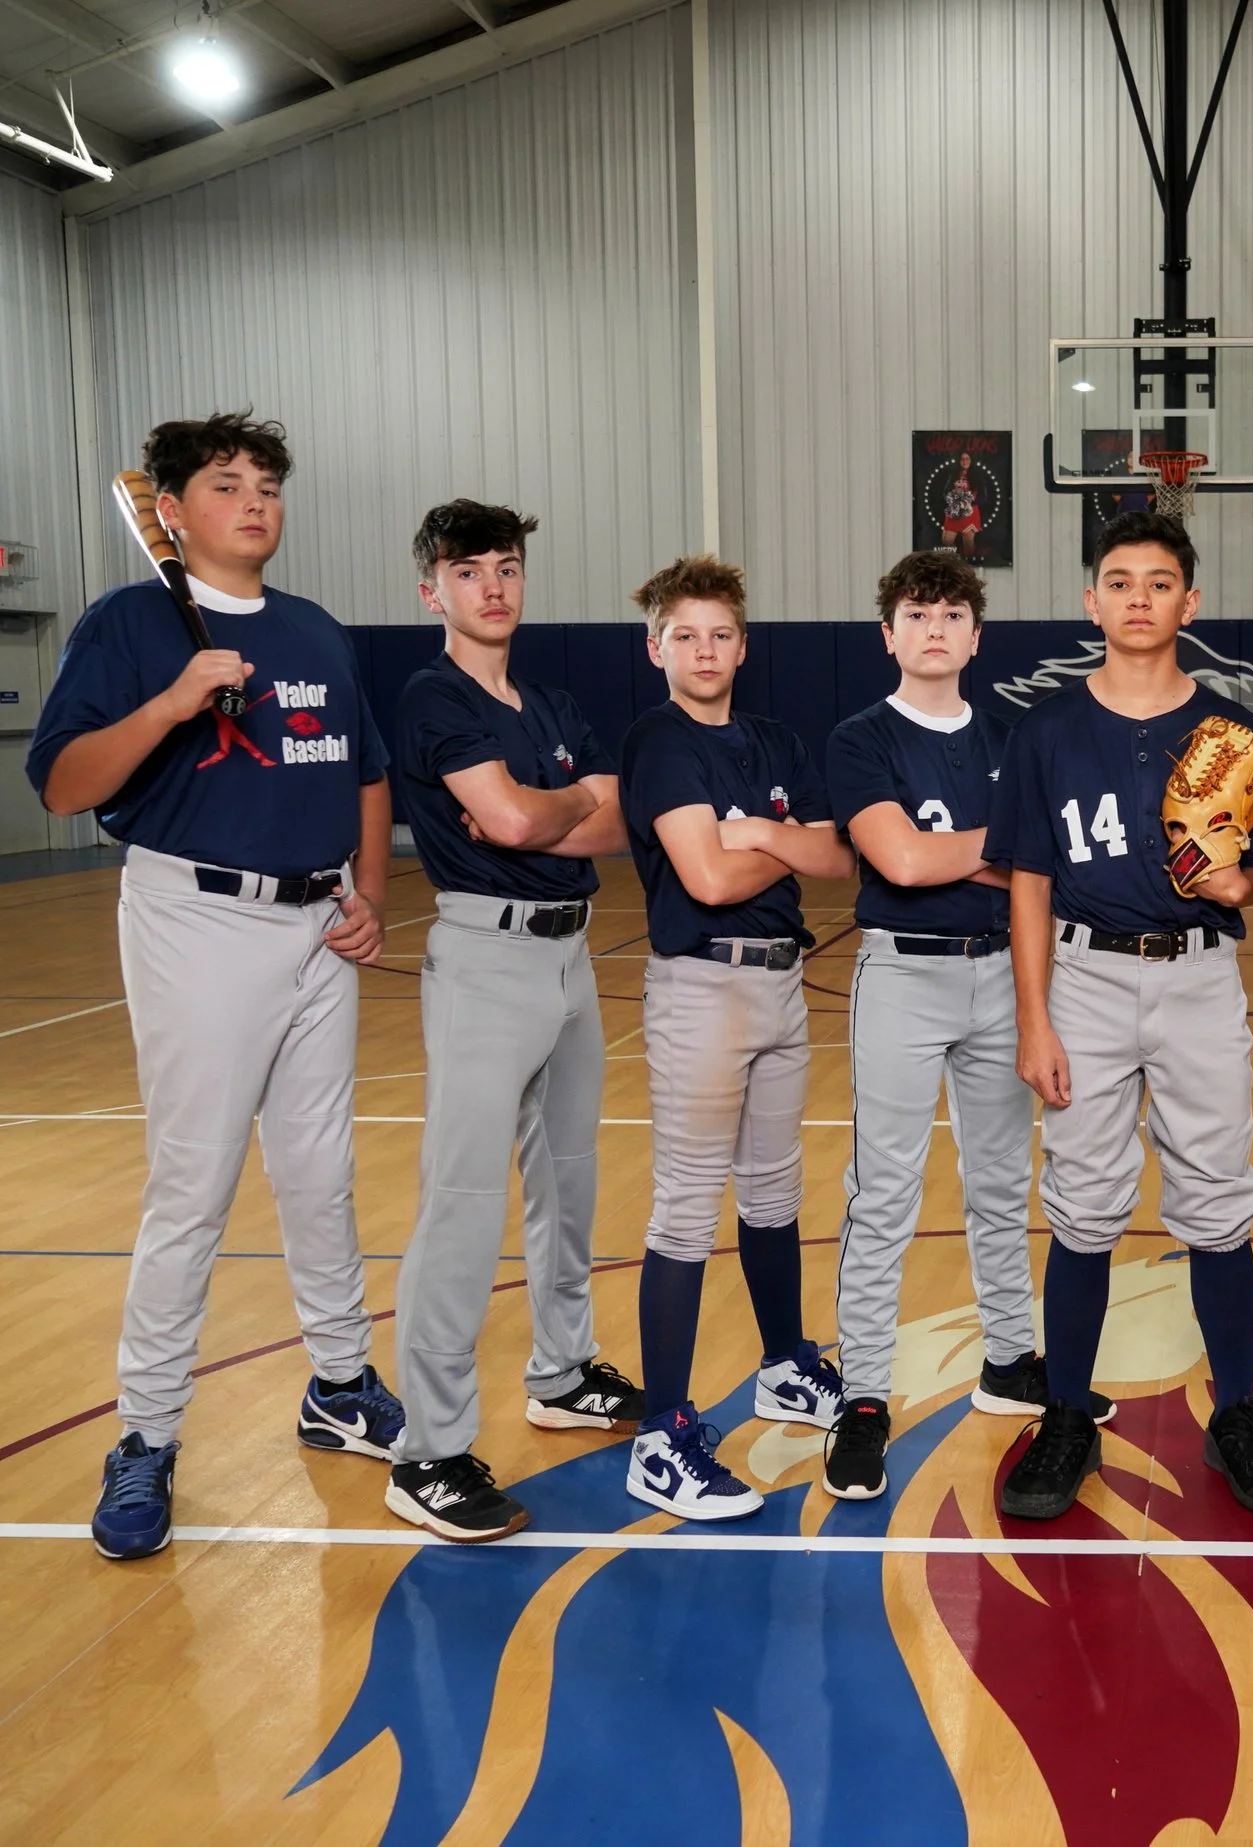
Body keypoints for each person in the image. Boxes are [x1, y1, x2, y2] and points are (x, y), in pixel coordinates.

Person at [29, 411, 401, 1561]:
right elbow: (61, 784)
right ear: (172, 512)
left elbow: (368, 773)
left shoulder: (314, 630)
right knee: (193, 1184)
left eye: (270, 485)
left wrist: (368, 891)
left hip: (317, 924)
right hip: (195, 918)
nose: (256, 502)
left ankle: (339, 1380)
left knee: (321, 1172)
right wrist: (171, 703)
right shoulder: (129, 625)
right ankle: (145, 1433)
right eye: (229, 484)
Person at [983, 509, 1253, 1522]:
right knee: (1083, 1199)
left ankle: (1238, 1411)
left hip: (1199, 974)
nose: (1137, 598)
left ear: (1189, 602)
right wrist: (1033, 1019)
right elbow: (1027, 879)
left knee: (1215, 1195)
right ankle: (1069, 1413)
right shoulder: (1046, 727)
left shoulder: (1230, 729)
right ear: (1091, 601)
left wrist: (1231, 886)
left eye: (1158, 582)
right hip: (1082, 977)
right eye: (1118, 581)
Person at [817, 549, 1109, 1503]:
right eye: (916, 612)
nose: (934, 626)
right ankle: (862, 1395)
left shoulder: (1014, 736)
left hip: (1004, 974)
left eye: (951, 613)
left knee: (998, 1182)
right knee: (884, 1192)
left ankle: (1010, 1357)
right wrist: (1001, 853)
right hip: (903, 975)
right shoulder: (859, 737)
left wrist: (977, 859)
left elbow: (1044, 863)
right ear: (889, 633)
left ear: (976, 636)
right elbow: (898, 860)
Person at [383, 500, 640, 1542]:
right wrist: (561, 802)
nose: (493, 584)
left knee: (569, 1184)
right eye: (468, 569)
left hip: (573, 954)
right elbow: (513, 819)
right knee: (462, 1202)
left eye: (507, 566)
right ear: (430, 589)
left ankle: (561, 1372)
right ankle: (429, 1450)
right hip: (485, 957)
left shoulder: (553, 698)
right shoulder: (431, 695)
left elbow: (611, 824)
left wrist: (556, 804)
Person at [619, 555, 854, 1519]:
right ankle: (661, 1435)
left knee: (772, 1190)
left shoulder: (773, 739)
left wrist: (750, 833)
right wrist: (775, 840)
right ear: (656, 648)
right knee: (684, 1209)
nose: (705, 649)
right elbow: (707, 883)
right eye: (686, 635)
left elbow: (836, 855)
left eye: (721, 634)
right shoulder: (659, 742)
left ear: (743, 645)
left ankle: (782, 1367)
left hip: (782, 984)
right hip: (701, 987)